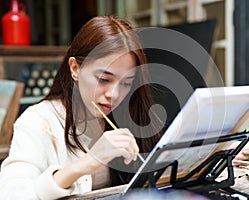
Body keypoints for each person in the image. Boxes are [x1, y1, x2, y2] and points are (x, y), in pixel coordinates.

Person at [0, 16, 163, 199]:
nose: (114, 94)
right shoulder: (39, 121)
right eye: (104, 79)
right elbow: (10, 194)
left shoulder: (130, 114)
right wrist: (87, 163)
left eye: (126, 83)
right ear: (75, 68)